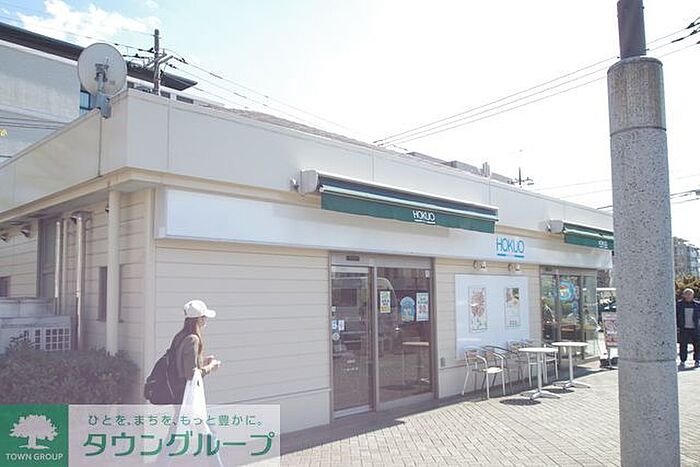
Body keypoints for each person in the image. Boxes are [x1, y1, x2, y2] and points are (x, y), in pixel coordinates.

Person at [172, 300, 222, 401]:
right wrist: (210, 367)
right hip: (185, 394)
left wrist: (202, 361)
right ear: (198, 319)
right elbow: (191, 375)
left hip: (177, 390)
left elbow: (181, 363)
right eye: (204, 317)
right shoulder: (193, 339)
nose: (205, 320)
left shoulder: (180, 335)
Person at [676, 288, 700, 369]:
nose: (688, 295)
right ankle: (683, 360)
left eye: (690, 294)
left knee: (697, 345)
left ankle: (697, 360)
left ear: (693, 295)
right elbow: (676, 316)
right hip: (684, 328)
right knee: (683, 345)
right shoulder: (679, 305)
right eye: (687, 294)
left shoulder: (697, 305)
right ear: (683, 295)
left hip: (695, 328)